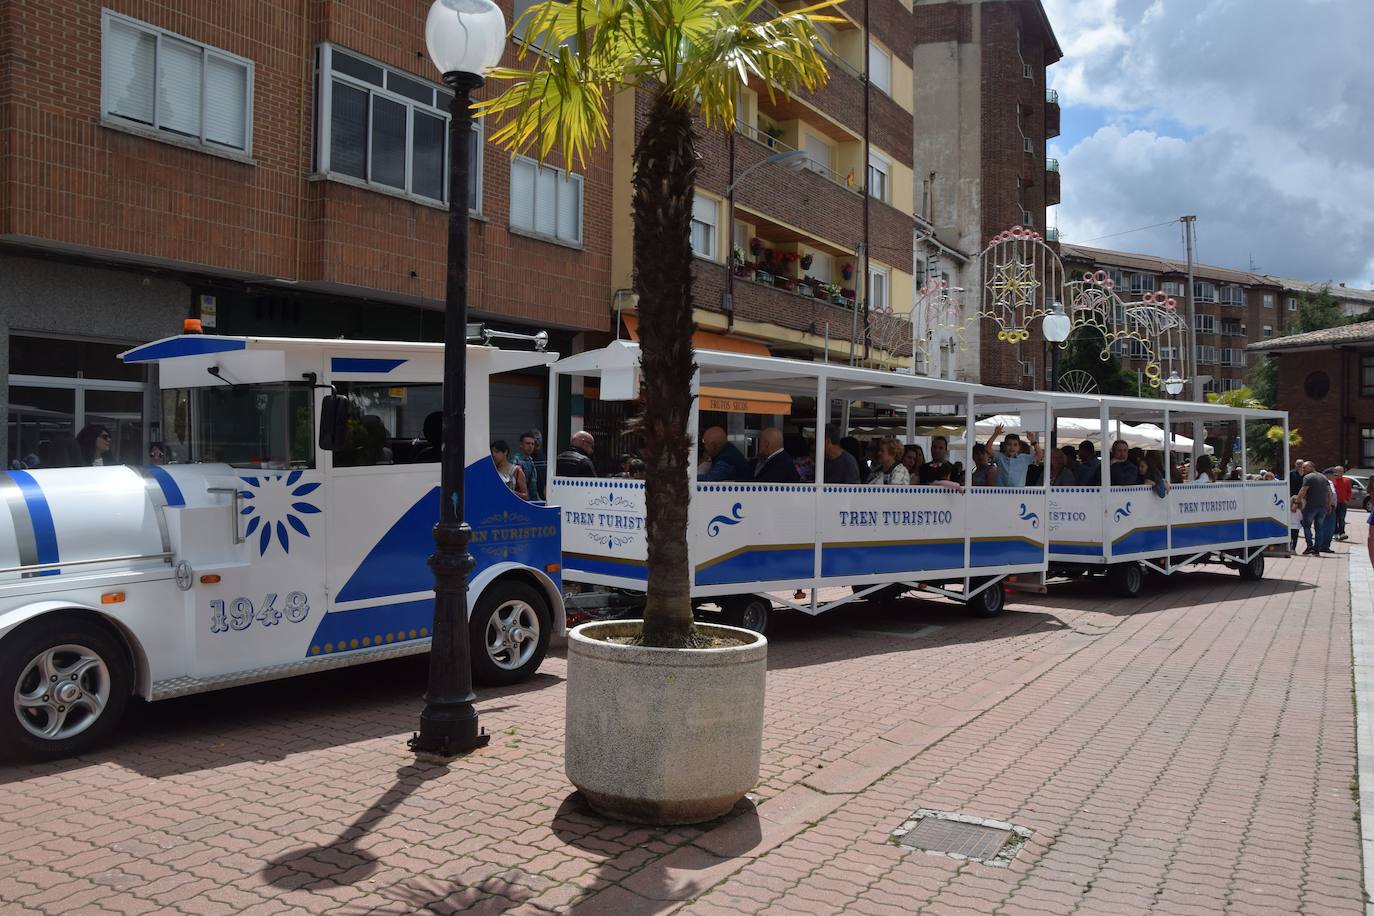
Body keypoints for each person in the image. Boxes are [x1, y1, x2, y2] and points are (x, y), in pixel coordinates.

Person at [1294, 460, 1331, 555]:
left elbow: (1303, 490)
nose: (1303, 469)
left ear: (1311, 467)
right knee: (1319, 528)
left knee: (1306, 526)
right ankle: (1317, 549)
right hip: (1323, 506)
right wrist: (1329, 504)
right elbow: (1329, 492)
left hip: (1311, 506)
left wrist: (1296, 502)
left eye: (1304, 468)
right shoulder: (1323, 477)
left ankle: (1310, 546)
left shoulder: (1308, 477)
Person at [514, 431, 543, 501]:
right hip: (521, 500)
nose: (530, 446)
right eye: (527, 443)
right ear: (521, 445)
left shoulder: (530, 460)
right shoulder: (516, 459)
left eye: (532, 444)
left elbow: (533, 486)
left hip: (532, 500)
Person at [1332, 466, 1353, 541]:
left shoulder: (1346, 480)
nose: (1337, 472)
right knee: (1334, 518)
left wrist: (1347, 499)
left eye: (1340, 471)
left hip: (1342, 502)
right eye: (1336, 471)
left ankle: (1342, 533)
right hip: (1334, 503)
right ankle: (1335, 533)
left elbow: (1349, 491)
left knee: (1341, 518)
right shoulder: (1332, 480)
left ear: (1342, 472)